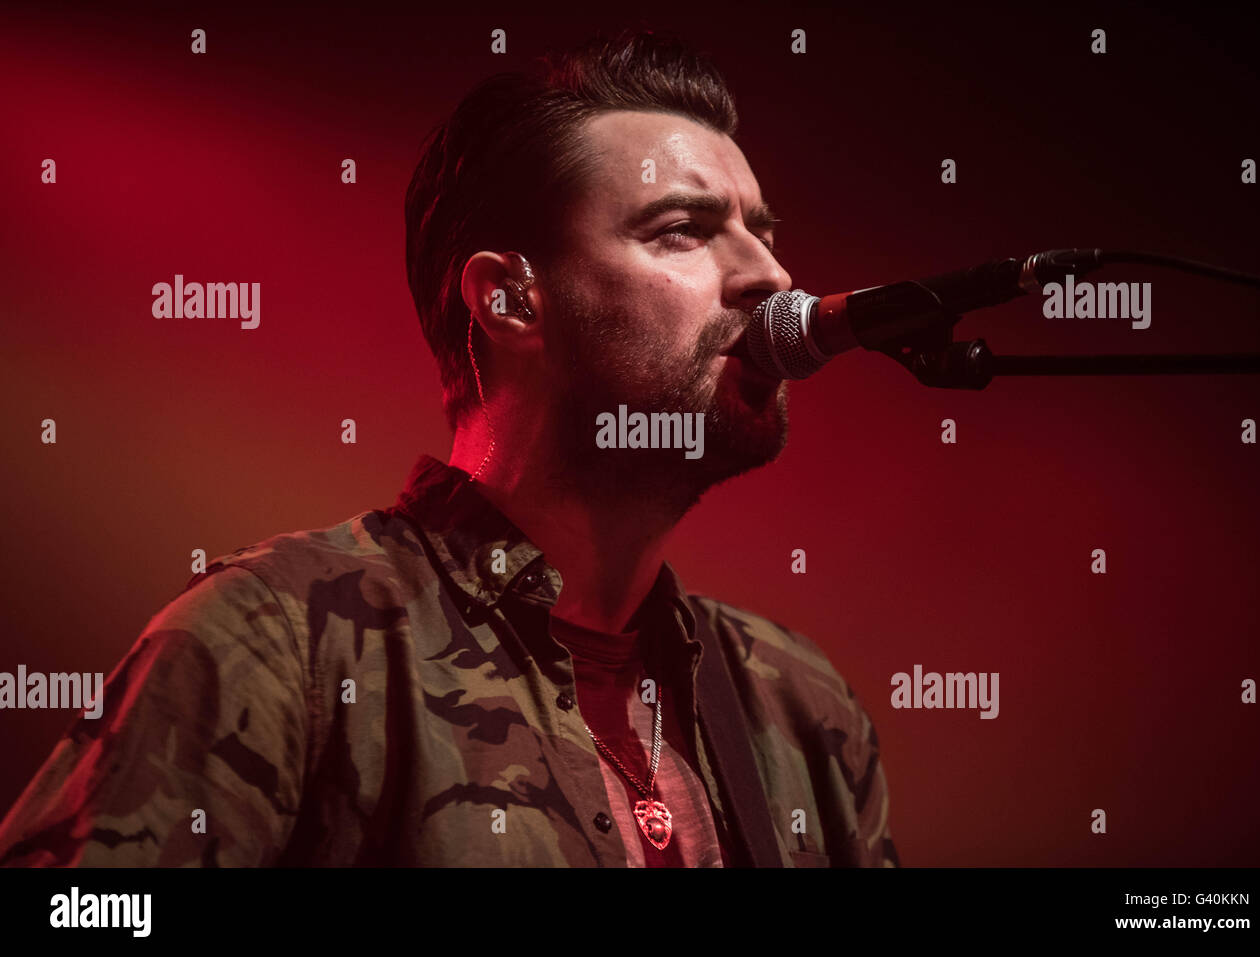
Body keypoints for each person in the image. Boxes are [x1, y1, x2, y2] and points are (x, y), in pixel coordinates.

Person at [0, 29, 898, 868]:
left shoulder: (797, 702)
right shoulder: (280, 641)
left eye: (761, 229)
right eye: (684, 231)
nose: (772, 276)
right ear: (509, 301)